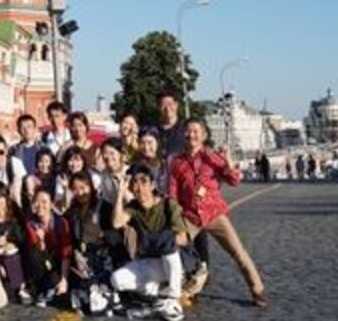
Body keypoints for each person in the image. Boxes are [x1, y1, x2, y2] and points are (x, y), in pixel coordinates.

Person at [169, 119, 267, 307]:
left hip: (214, 213)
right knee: (172, 246)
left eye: (196, 131)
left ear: (204, 135)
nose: (192, 135)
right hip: (190, 217)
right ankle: (182, 288)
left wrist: (228, 161)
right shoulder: (177, 163)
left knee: (238, 252)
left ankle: (258, 290)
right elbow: (173, 194)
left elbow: (234, 181)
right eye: (188, 131)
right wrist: (176, 219)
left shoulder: (213, 157)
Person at [112, 165, 189, 321]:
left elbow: (183, 238)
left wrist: (160, 240)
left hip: (172, 262)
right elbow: (116, 223)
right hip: (149, 262)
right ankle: (154, 291)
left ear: (153, 185)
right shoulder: (134, 207)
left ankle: (173, 297)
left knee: (168, 245)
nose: (139, 187)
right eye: (135, 183)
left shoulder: (168, 205)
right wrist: (120, 193)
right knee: (117, 280)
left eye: (144, 182)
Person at [63, 170, 118, 314]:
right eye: (76, 189)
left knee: (97, 303)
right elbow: (70, 239)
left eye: (83, 188)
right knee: (83, 303)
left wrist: (101, 234)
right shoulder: (72, 211)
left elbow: (116, 237)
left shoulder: (103, 206)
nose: (80, 193)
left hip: (102, 258)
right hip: (82, 262)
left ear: (91, 187)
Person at [22, 187, 71, 307]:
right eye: (37, 201)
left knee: (56, 280)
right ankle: (39, 289)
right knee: (33, 255)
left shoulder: (61, 222)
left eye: (44, 202)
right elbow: (36, 252)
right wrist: (41, 240)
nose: (40, 205)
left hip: (58, 263)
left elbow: (66, 253)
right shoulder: (30, 223)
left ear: (51, 205)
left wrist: (64, 280)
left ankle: (50, 288)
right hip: (40, 263)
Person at [150, 90, 188, 164]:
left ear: (176, 105)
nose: (167, 108)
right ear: (158, 107)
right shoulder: (153, 130)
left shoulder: (186, 128)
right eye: (163, 104)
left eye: (170, 104)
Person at [9, 114, 45, 178]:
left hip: (40, 182)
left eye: (29, 127)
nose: (26, 130)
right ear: (18, 131)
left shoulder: (43, 148)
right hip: (21, 183)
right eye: (23, 127)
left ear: (34, 129)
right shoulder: (13, 150)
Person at [95, 138, 128, 206]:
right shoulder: (104, 175)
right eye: (105, 153)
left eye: (112, 153)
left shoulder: (129, 172)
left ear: (120, 154)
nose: (108, 157)